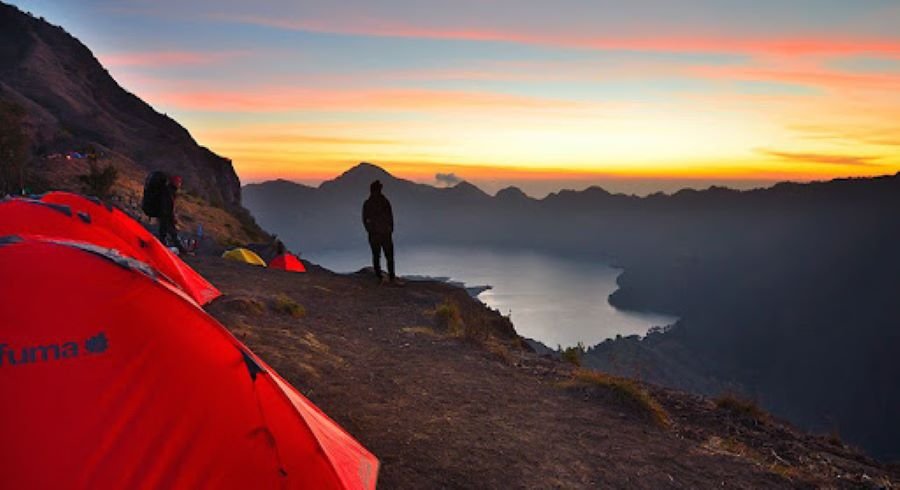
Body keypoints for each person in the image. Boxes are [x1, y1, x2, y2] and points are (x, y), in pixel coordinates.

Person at [362, 180, 400, 284]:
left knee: (377, 255)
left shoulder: (369, 203)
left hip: (377, 234)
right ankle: (390, 277)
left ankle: (380, 276)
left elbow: (365, 220)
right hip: (383, 234)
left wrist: (371, 230)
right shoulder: (384, 201)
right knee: (388, 256)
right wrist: (389, 229)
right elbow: (390, 217)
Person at [158, 175, 185, 253]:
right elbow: (170, 205)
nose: (180, 184)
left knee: (163, 232)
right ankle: (181, 249)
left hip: (163, 214)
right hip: (167, 216)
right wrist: (173, 217)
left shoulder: (167, 190)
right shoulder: (170, 191)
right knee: (173, 233)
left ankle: (162, 247)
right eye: (179, 182)